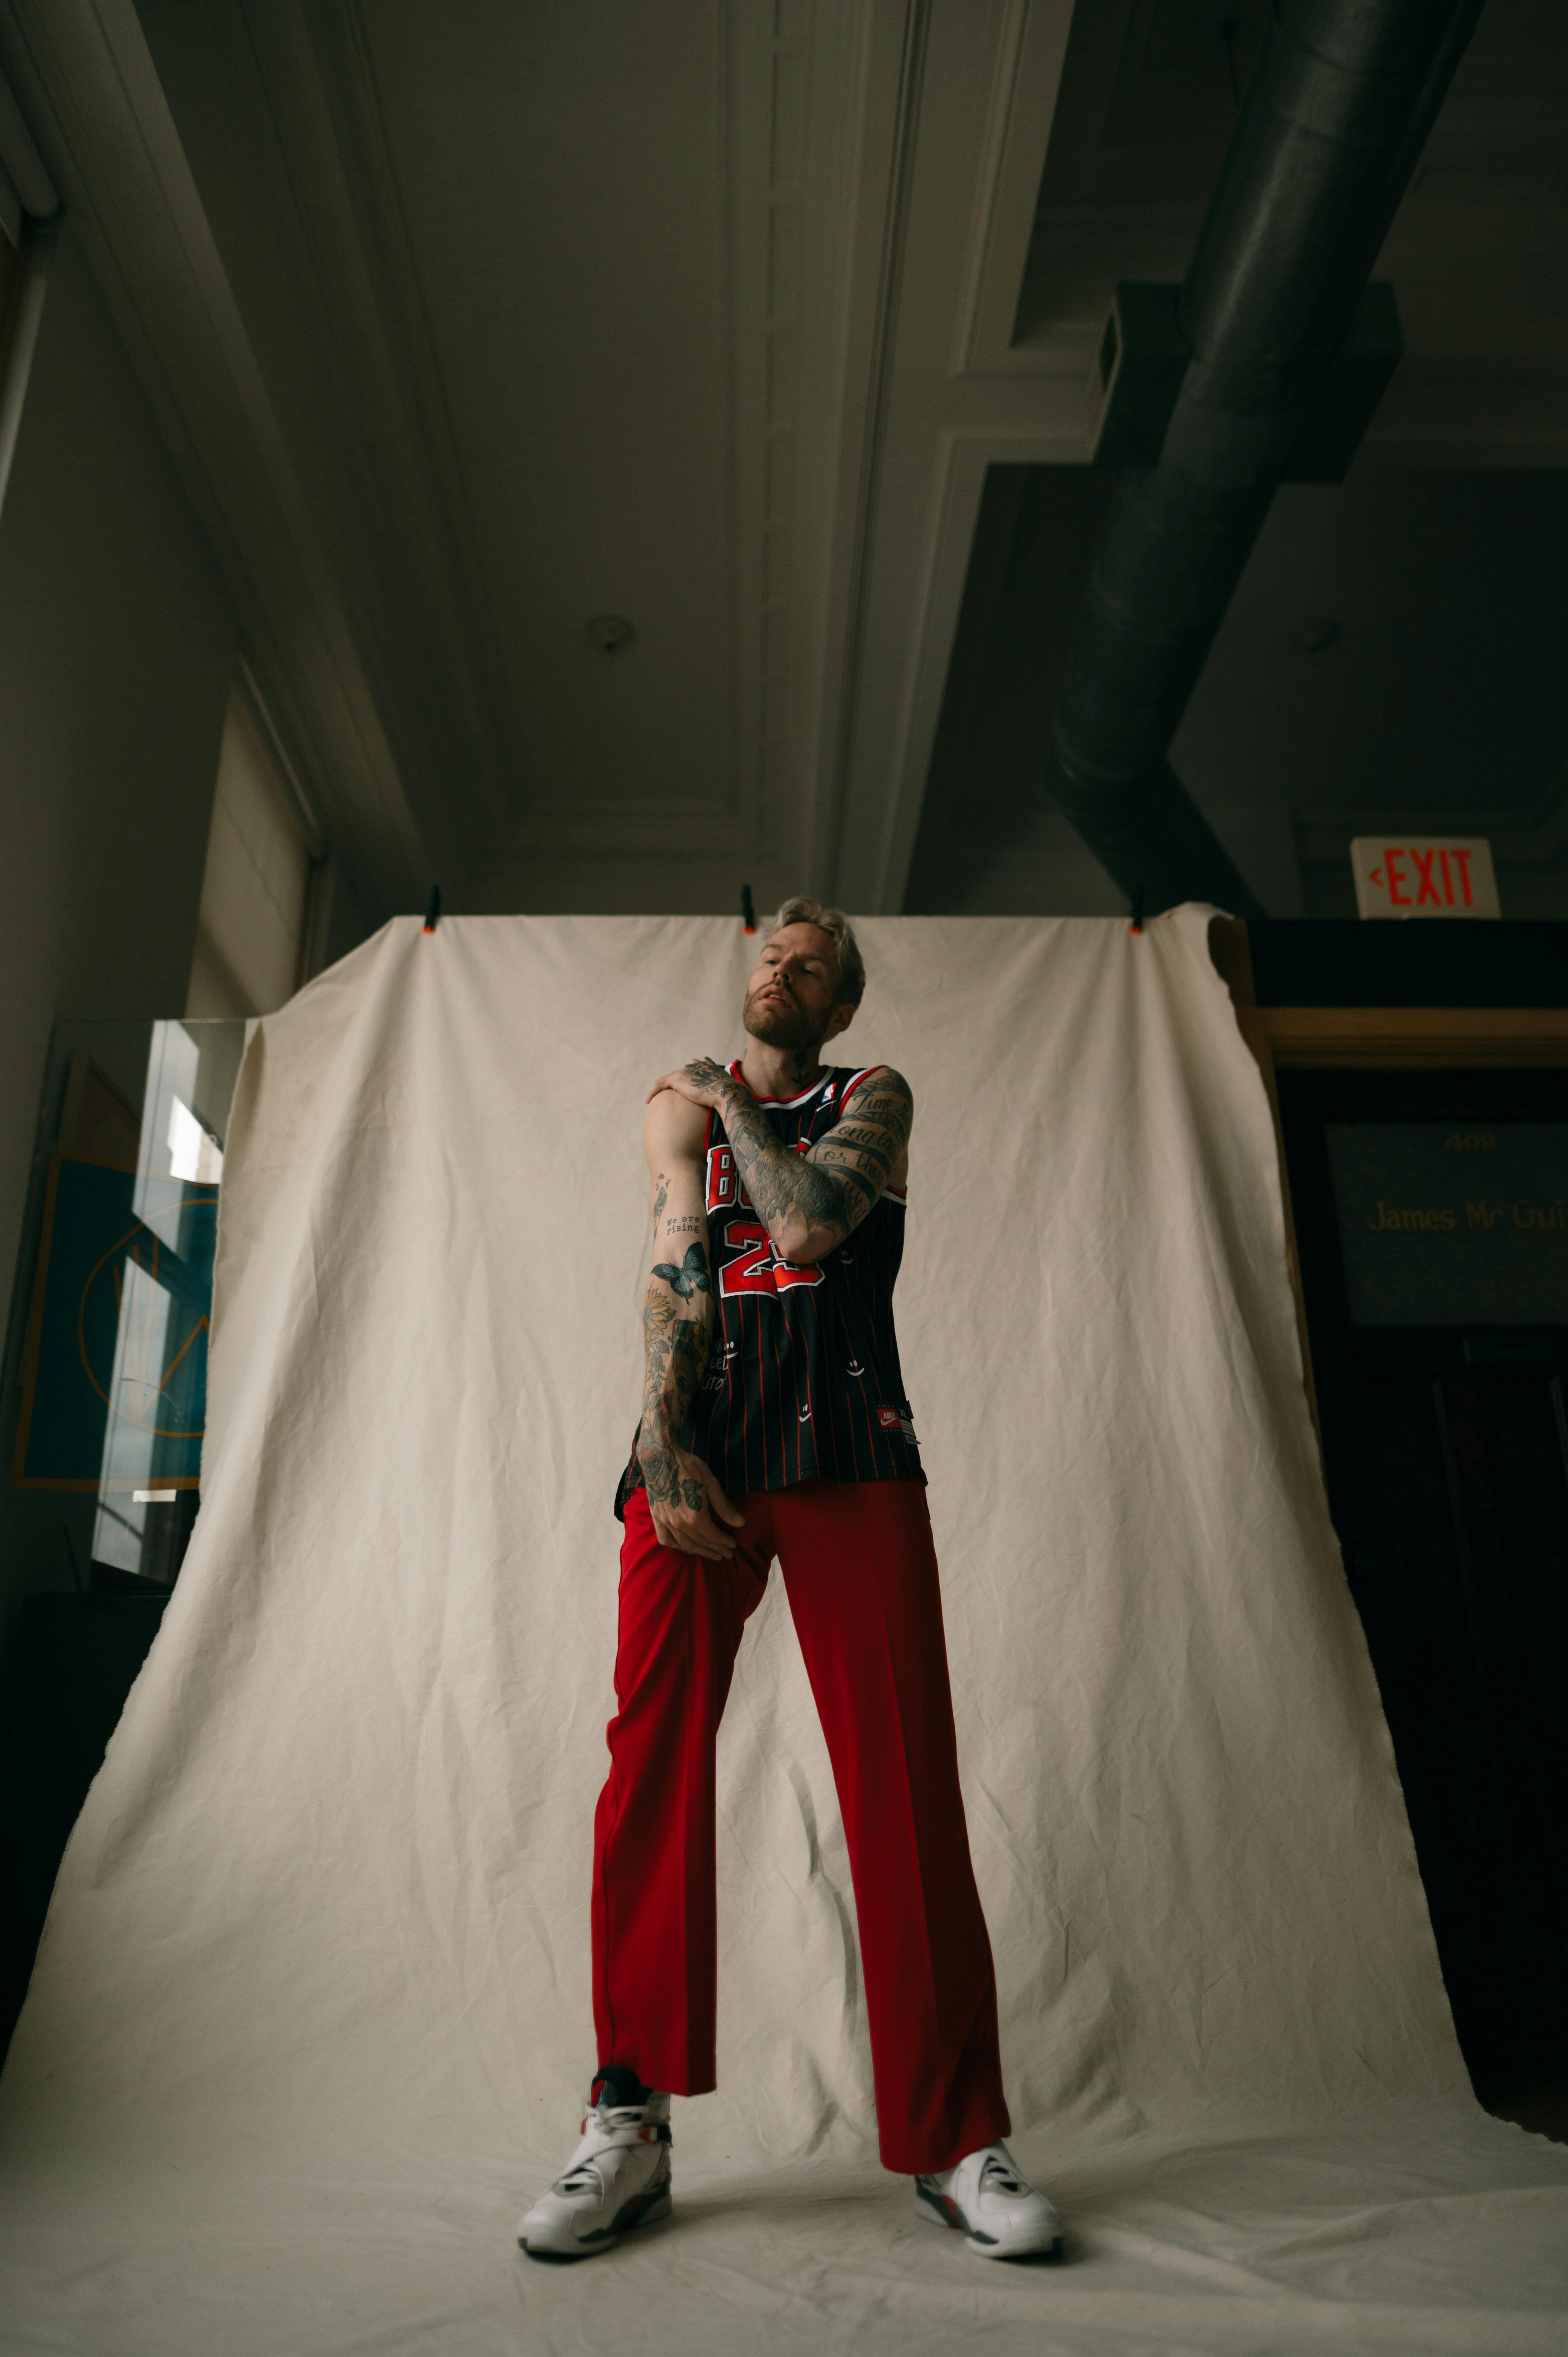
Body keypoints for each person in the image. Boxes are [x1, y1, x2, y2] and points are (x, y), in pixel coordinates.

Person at [519, 899, 1061, 2265]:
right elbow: (673, 1263)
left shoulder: (868, 1097)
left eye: (810, 965)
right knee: (648, 1761)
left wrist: (728, 1108)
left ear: (837, 1006)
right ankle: (627, 2122)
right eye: (772, 953)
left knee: (903, 1774)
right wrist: (662, 1444)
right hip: (703, 1451)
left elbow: (811, 1226)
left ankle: (952, 2136)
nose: (781, 966)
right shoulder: (680, 1114)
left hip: (849, 1444)